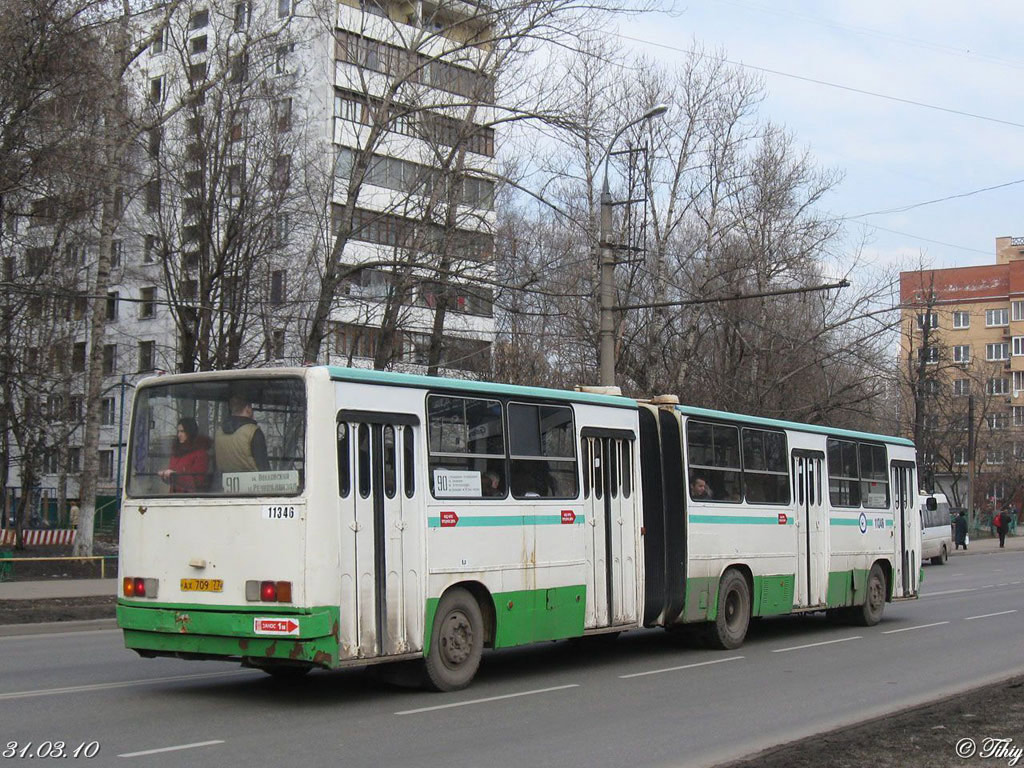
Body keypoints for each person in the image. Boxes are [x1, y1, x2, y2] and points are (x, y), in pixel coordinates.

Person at [215, 396, 270, 473]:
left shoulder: (219, 432)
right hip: (252, 482)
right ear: (248, 409)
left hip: (224, 482)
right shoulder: (253, 431)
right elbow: (263, 466)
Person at [159, 417, 211, 493]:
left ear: (190, 432)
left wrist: (175, 476)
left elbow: (197, 482)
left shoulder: (200, 454)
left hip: (190, 498)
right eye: (178, 431)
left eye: (182, 431)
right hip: (173, 498)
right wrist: (164, 476)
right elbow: (172, 479)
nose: (179, 434)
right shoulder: (176, 453)